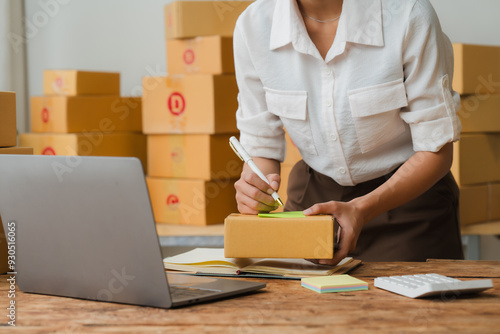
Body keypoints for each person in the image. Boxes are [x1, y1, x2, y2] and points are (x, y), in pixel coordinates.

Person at [233, 0, 464, 265]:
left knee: (408, 304)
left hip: (408, 205)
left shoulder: (408, 13)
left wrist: (362, 209)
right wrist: (255, 189)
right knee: (292, 303)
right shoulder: (253, 26)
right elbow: (261, 147)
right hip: (313, 205)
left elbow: (436, 150)